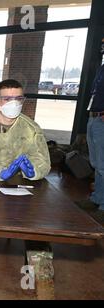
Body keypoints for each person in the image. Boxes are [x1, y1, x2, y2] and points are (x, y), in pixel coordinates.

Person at [86, 38, 104, 212]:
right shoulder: (102, 69)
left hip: (101, 120)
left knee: (102, 164)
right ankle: (97, 197)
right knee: (96, 163)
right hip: (93, 117)